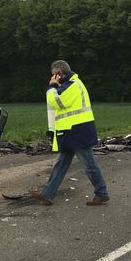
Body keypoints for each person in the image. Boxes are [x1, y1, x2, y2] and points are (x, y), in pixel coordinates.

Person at [31, 60, 109, 206]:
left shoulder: (73, 85)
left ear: (60, 73)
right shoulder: (68, 85)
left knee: (89, 165)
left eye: (54, 75)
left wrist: (51, 86)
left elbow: (56, 102)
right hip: (70, 132)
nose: (53, 78)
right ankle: (47, 195)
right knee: (60, 164)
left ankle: (102, 193)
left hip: (79, 131)